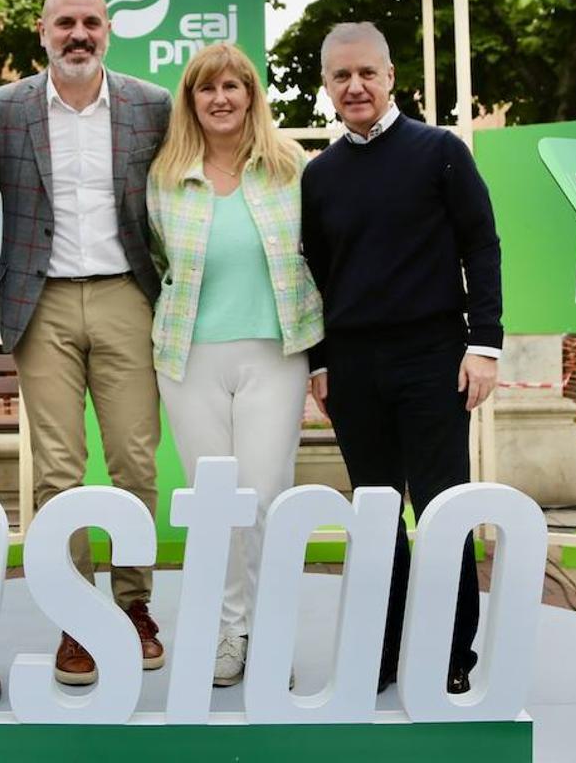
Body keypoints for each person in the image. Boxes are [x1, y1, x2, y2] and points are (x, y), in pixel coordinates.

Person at [301, 22, 503, 696]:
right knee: (377, 512)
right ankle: (381, 653)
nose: (354, 86)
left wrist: (485, 344)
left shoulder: (440, 152)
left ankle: (452, 654)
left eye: (367, 73)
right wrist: (321, 363)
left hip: (435, 356)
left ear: (390, 77)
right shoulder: (320, 176)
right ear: (326, 86)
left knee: (444, 508)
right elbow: (318, 278)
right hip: (355, 368)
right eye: (340, 76)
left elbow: (482, 246)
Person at [0, 0, 172, 685]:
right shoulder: (3, 111)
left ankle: (134, 605)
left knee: (135, 465)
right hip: (43, 305)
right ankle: (75, 617)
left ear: (109, 31)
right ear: (43, 32)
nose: (78, 34)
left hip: (129, 296)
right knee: (58, 474)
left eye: (91, 22)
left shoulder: (152, 105)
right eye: (66, 23)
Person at [146, 43, 322, 686]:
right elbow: (152, 259)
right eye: (205, 88)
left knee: (266, 495)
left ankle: (268, 633)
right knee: (215, 500)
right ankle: (229, 632)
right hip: (188, 358)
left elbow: (318, 260)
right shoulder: (164, 176)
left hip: (275, 354)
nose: (220, 98)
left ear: (251, 95)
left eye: (232, 86)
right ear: (191, 100)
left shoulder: (290, 169)